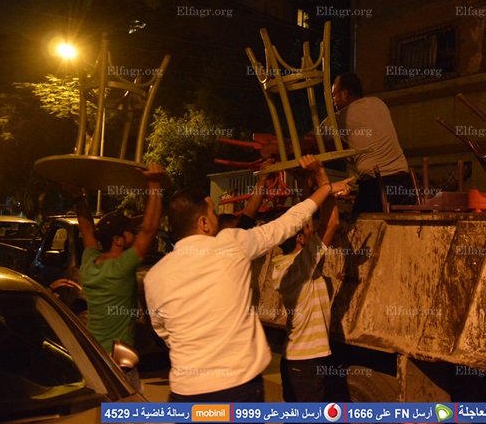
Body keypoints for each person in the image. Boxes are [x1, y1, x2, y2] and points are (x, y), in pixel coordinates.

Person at [144, 157, 352, 403]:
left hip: (184, 394)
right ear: (203, 223)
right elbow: (289, 222)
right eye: (213, 213)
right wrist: (327, 187)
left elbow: (165, 333)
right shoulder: (231, 244)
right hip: (237, 389)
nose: (217, 218)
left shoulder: (154, 277)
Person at [64, 163, 165, 391]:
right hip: (119, 362)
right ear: (118, 240)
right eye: (129, 231)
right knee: (129, 407)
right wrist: (154, 183)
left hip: (94, 354)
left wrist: (78, 197)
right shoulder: (122, 268)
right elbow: (150, 228)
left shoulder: (89, 263)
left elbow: (87, 231)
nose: (135, 234)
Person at [271, 155, 339, 402]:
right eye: (309, 229)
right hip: (305, 363)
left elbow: (303, 218)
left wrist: (304, 184)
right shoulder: (299, 267)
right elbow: (332, 223)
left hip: (298, 360)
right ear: (300, 238)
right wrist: (320, 172)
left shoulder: (284, 264)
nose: (313, 228)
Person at [320, 72, 413, 212]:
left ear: (345, 93)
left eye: (334, 95)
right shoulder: (378, 103)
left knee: (357, 222)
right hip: (404, 181)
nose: (333, 100)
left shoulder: (340, 117)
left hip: (377, 184)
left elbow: (311, 140)